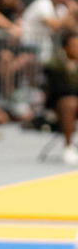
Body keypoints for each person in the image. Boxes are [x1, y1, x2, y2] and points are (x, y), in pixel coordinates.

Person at [42, 32, 78, 166]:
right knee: (70, 103)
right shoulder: (54, 65)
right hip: (59, 104)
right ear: (65, 48)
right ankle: (68, 146)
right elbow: (60, 90)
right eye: (74, 46)